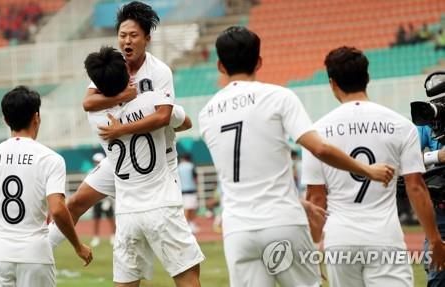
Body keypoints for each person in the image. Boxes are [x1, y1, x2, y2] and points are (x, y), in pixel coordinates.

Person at [198, 26, 395, 287]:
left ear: (220, 66)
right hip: (282, 220)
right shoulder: (278, 97)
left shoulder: (207, 113)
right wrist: (368, 170)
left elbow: (244, 174)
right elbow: (320, 149)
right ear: (259, 61)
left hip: (237, 229)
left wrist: (300, 203)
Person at [47, 0, 191, 249]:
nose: (127, 41)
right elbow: (88, 102)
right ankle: (40, 251)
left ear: (146, 38)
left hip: (159, 161)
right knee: (76, 203)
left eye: (133, 35)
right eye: (122, 35)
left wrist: (120, 129)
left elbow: (164, 116)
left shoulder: (158, 71)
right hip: (120, 160)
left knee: (163, 229)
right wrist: (122, 97)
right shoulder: (114, 66)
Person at [302, 46, 445, 287]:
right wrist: (435, 240)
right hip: (384, 235)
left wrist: (314, 250)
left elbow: (316, 199)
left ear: (332, 82)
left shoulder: (316, 132)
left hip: (340, 238)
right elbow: (416, 187)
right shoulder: (400, 125)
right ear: (367, 78)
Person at [90, 46, 204, 286]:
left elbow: (90, 101)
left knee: (126, 283)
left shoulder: (96, 117)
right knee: (188, 278)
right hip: (161, 204)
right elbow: (185, 122)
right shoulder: (153, 101)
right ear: (127, 74)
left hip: (127, 211)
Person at [0, 86, 92, 287]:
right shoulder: (51, 159)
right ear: (36, 117)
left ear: (5, 120)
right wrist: (78, 246)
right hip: (36, 255)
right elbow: (57, 209)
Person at [418, 124, 445, 286]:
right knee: (438, 274)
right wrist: (436, 156)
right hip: (441, 212)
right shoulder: (430, 119)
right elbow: (401, 159)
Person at [89, 152, 116, 247]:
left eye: (98, 161)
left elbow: (111, 186)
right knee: (96, 220)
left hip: (107, 201)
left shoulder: (109, 172)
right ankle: (96, 238)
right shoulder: (91, 171)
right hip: (97, 201)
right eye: (95, 161)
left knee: (111, 219)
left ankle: (113, 236)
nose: (96, 163)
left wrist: (108, 201)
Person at [178, 153, 199, 233]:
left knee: (186, 209)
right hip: (191, 190)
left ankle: (188, 225)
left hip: (182, 191)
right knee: (191, 209)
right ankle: (189, 225)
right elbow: (195, 179)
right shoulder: (191, 166)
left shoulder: (178, 167)